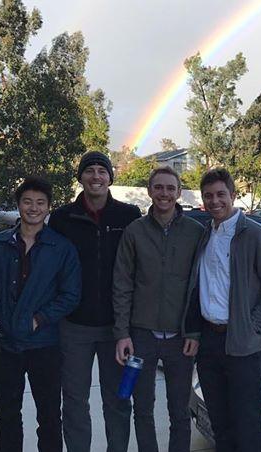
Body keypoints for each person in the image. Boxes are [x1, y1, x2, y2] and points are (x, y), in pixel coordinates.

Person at [183, 168, 261, 452]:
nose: (214, 201)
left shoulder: (254, 235)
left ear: (233, 195)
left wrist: (254, 327)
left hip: (244, 345)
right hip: (210, 341)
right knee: (220, 422)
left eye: (220, 194)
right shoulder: (206, 234)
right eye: (208, 196)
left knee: (246, 425)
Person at [0, 177, 81, 452]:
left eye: (40, 203)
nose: (33, 208)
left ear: (48, 208)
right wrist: (3, 318)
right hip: (6, 344)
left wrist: (38, 319)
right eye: (27, 201)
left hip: (44, 345)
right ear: (18, 205)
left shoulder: (61, 248)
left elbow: (70, 295)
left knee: (49, 417)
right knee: (7, 415)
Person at [48, 151, 141, 452]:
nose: (96, 176)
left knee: (117, 400)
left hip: (117, 329)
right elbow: (49, 268)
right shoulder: (62, 218)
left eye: (103, 170)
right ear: (81, 177)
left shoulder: (128, 216)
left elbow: (139, 268)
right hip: (74, 327)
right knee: (74, 401)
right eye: (90, 170)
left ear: (111, 177)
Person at [113, 166, 204, 452]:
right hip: (141, 337)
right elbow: (122, 284)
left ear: (179, 193)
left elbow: (202, 286)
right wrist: (122, 333)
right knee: (142, 409)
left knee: (180, 412)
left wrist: (195, 332)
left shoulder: (196, 233)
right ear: (150, 191)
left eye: (170, 188)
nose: (164, 193)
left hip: (181, 340)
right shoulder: (134, 232)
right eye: (159, 187)